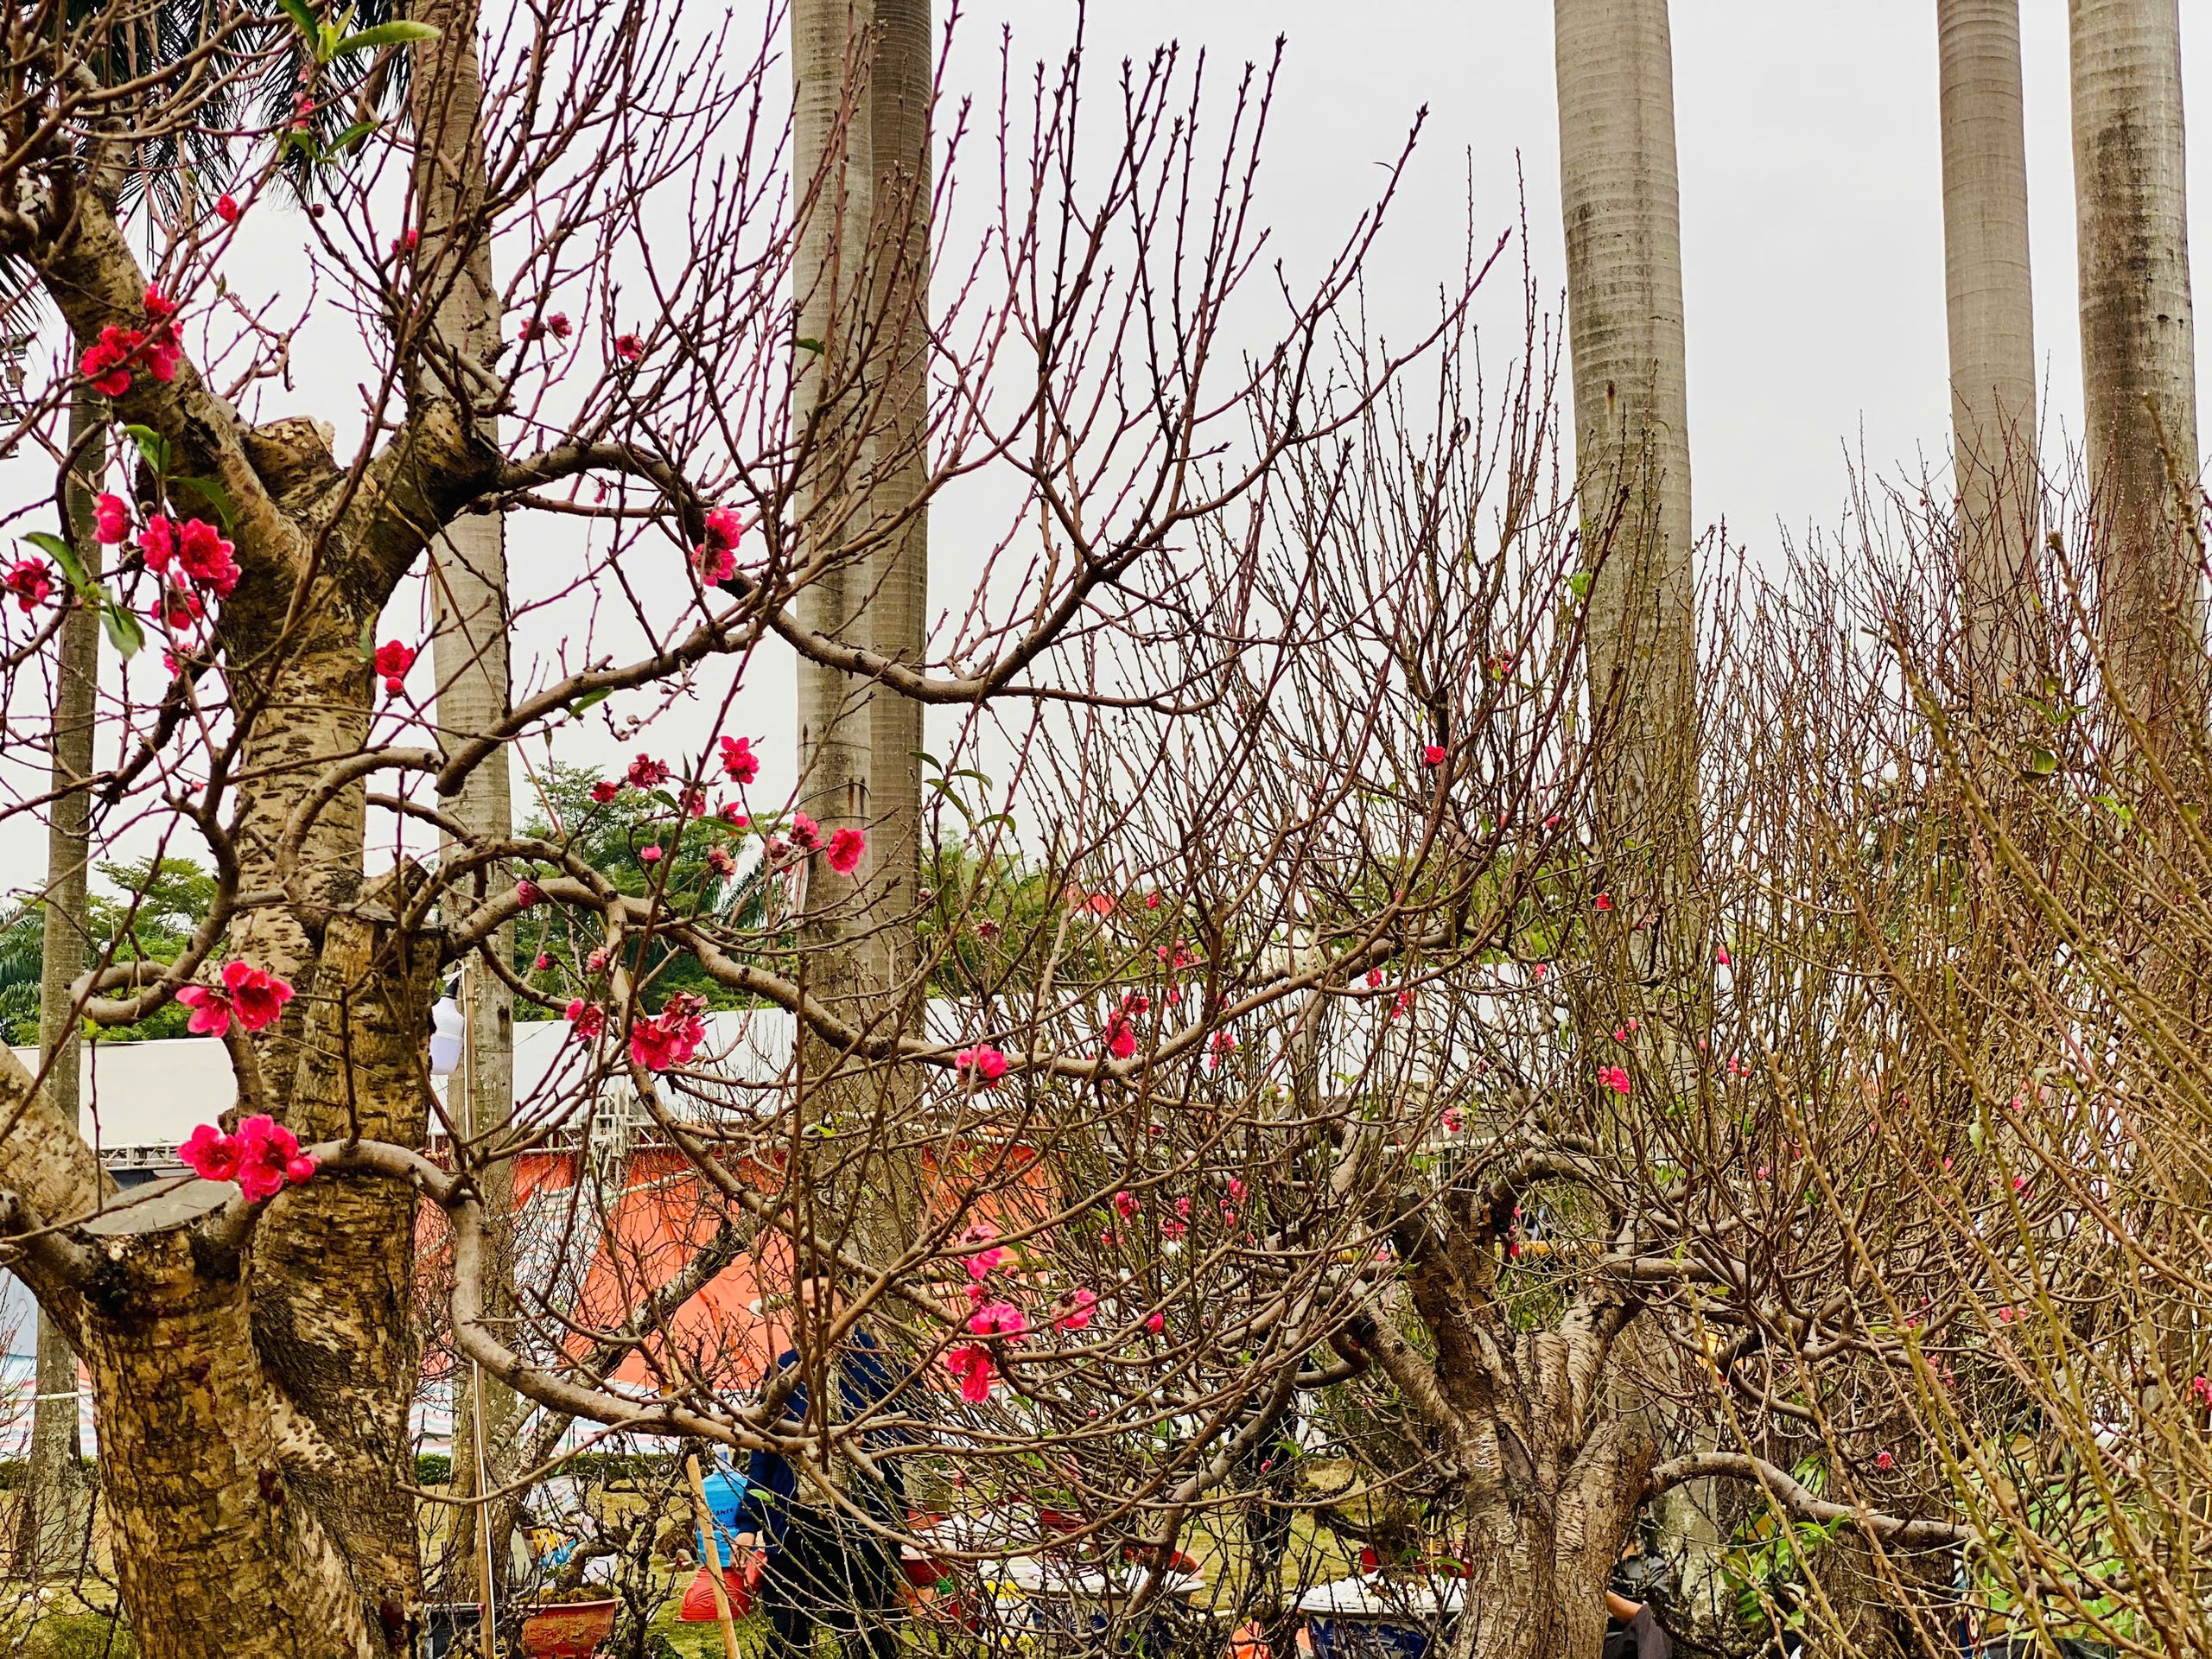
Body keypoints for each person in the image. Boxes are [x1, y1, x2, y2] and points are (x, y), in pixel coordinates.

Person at [730, 1271, 909, 1659]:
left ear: (847, 1304)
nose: (815, 1314)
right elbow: (765, 1451)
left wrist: (874, 1440)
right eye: (805, 1306)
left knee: (867, 1632)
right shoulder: (784, 1370)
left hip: (865, 1519)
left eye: (824, 1302)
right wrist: (748, 1525)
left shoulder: (879, 1364)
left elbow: (915, 1433)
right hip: (796, 1520)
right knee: (787, 1630)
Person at [1603, 1530, 1673, 1659]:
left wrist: (1606, 1598)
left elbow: (1658, 1615)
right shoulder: (1591, 1559)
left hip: (1633, 1644)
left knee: (1655, 1614)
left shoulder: (1654, 1563)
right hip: (1597, 1647)